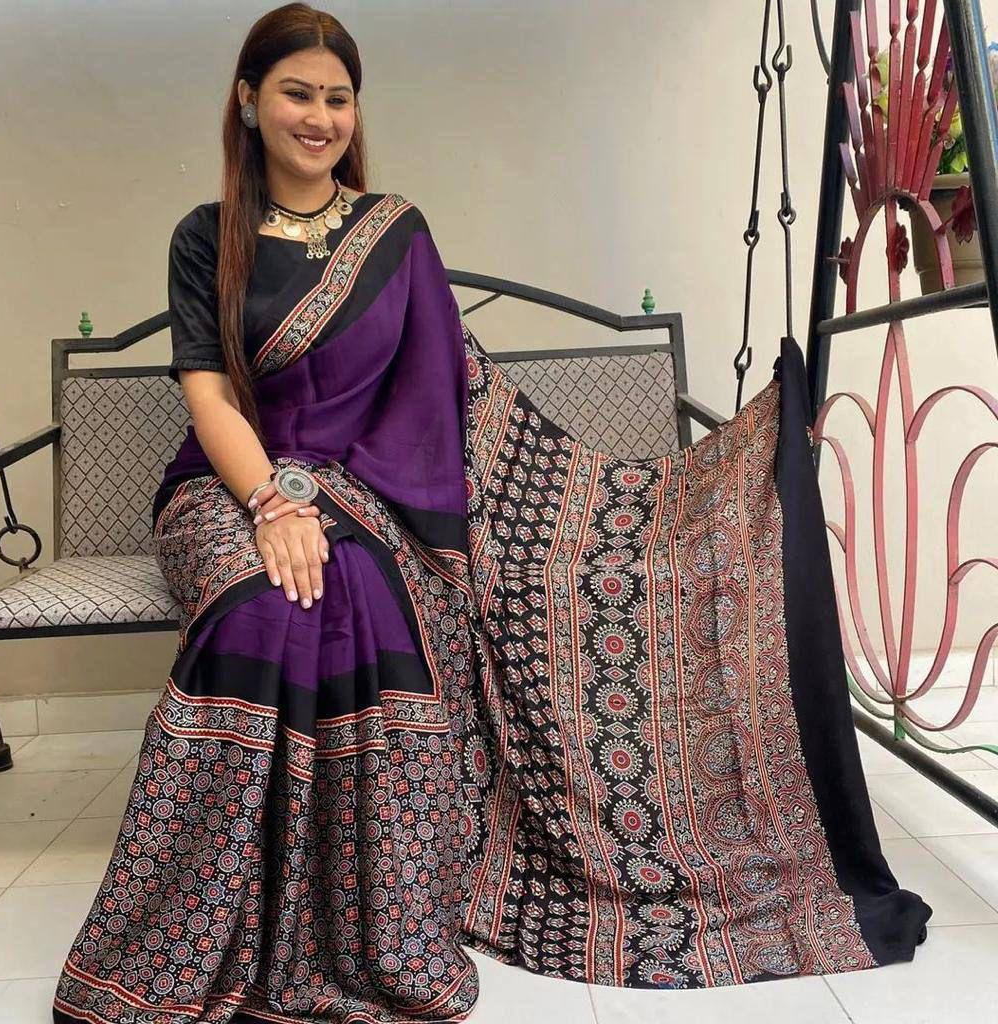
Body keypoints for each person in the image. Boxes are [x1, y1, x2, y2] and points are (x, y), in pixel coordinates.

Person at [53, 5, 932, 1023]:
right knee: (259, 607)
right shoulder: (207, 236)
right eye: (297, 93)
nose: (320, 116)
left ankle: (362, 927)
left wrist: (343, 508)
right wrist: (270, 504)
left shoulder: (395, 234)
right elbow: (209, 398)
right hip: (224, 487)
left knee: (367, 596)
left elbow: (436, 401)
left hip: (364, 495)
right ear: (249, 100)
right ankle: (197, 932)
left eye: (338, 98)